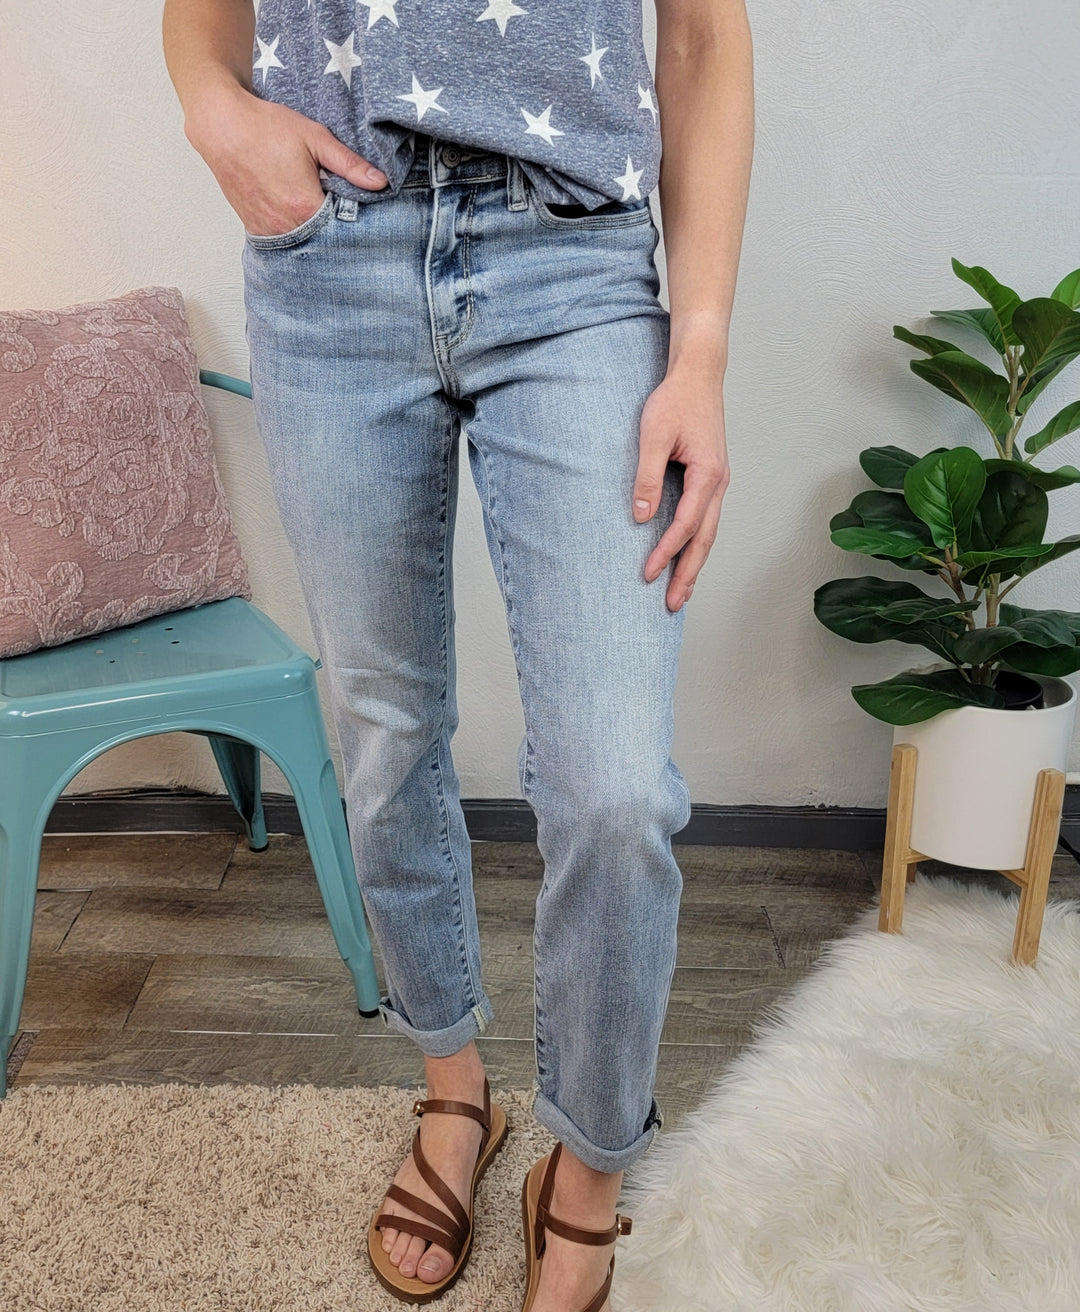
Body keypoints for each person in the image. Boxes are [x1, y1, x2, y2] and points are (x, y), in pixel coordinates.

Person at [162, 1, 752, 1307]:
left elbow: (705, 32)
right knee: (386, 730)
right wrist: (214, 107)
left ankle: (588, 1168)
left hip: (576, 258)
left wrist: (699, 344)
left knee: (614, 788)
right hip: (333, 256)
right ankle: (453, 1091)